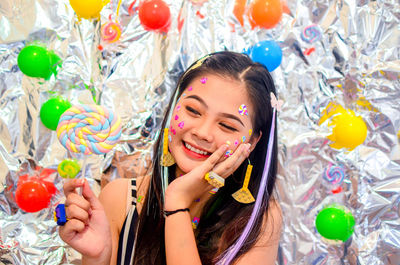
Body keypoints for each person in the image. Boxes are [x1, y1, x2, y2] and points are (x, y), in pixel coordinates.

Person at [58, 51, 282, 265]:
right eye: (193, 110)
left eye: (226, 125)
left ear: (252, 142)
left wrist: (177, 203)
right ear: (174, 106)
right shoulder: (121, 199)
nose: (202, 133)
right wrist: (97, 258)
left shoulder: (257, 220)